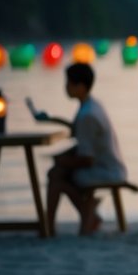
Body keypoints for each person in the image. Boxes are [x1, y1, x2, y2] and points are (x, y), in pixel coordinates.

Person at [39, 62, 128, 236]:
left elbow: (88, 159)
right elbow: (79, 135)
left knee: (57, 176)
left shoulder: (88, 115)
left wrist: (63, 161)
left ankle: (51, 226)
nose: (66, 87)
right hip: (111, 166)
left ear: (80, 86)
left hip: (105, 170)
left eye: (69, 83)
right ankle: (82, 215)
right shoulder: (92, 105)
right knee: (57, 173)